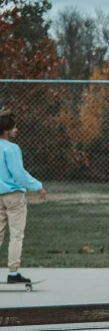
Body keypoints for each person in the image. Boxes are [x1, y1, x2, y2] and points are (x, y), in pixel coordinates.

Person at [0, 110, 46, 283]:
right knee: (16, 235)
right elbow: (19, 174)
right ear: (6, 131)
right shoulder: (12, 149)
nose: (16, 130)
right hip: (13, 197)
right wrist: (38, 186)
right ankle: (13, 273)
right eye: (13, 128)